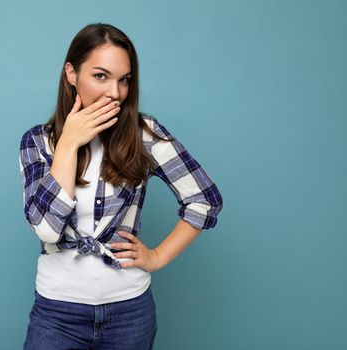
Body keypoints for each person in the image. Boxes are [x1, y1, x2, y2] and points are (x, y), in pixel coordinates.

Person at [19, 22, 224, 350]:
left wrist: (156, 257)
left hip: (129, 313)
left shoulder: (143, 134)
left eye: (123, 80)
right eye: (101, 76)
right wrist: (69, 143)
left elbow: (205, 199)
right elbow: (47, 229)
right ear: (71, 73)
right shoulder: (38, 141)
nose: (114, 92)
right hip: (57, 313)